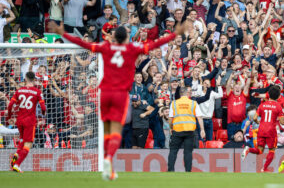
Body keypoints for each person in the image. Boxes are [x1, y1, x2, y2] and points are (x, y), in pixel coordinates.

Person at [49, 20, 184, 180]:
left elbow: (83, 44)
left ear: (114, 37)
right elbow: (155, 45)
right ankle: (108, 159)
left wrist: (63, 34)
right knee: (116, 131)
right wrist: (176, 34)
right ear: (127, 38)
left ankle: (107, 161)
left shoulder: (106, 47)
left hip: (105, 92)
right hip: (120, 94)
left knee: (106, 130)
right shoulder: (132, 49)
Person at [241, 85, 284, 172]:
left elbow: (254, 118)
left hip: (261, 129)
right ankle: (264, 168)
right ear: (278, 96)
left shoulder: (262, 105)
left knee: (259, 150)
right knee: (272, 150)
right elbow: (282, 122)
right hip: (271, 131)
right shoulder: (278, 106)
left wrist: (259, 122)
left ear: (268, 95)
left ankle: (248, 149)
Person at [7, 72, 46, 173]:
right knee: (28, 143)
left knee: (22, 140)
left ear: (25, 79)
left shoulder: (19, 90)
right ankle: (17, 164)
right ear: (34, 79)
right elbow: (43, 107)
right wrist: (43, 114)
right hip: (30, 120)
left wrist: (10, 116)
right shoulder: (37, 92)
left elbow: (10, 105)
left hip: (19, 119)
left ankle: (16, 155)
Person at [167, 87, 205, 172]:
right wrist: (202, 129)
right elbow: (199, 117)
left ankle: (170, 170)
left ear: (180, 93)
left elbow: (170, 118)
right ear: (186, 93)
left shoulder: (174, 103)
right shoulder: (193, 103)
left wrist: (171, 128)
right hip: (190, 131)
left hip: (177, 130)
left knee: (173, 151)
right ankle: (188, 171)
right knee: (188, 152)